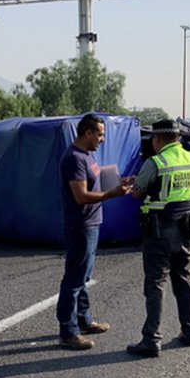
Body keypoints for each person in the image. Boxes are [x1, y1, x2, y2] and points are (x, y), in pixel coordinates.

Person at [127, 119, 190, 358]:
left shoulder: (155, 161)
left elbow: (137, 193)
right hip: (188, 227)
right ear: (178, 138)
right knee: (184, 279)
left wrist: (136, 185)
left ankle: (151, 339)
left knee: (155, 283)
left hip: (160, 230)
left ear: (158, 140)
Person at [57, 114, 133, 350]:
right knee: (74, 279)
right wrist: (113, 194)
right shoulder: (74, 158)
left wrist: (118, 182)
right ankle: (68, 332)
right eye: (99, 134)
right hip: (80, 225)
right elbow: (81, 196)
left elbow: (95, 184)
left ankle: (84, 321)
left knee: (84, 277)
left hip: (92, 222)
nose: (102, 139)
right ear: (87, 133)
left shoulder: (87, 156)